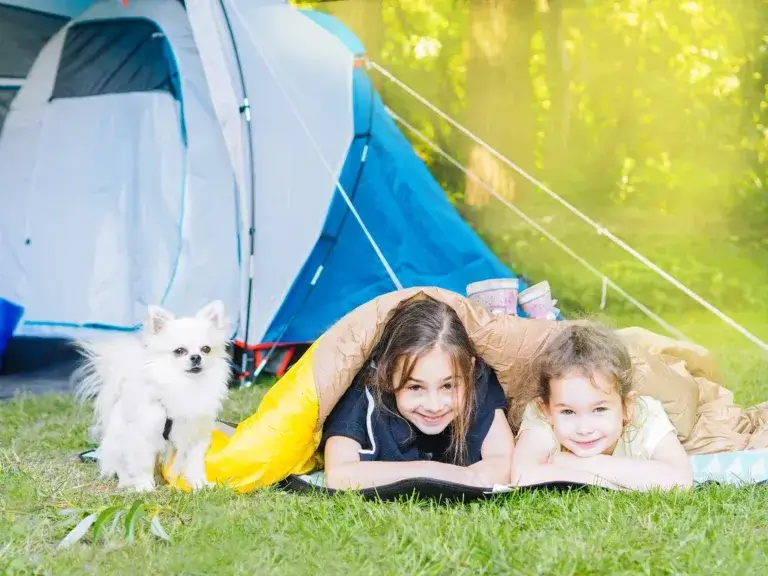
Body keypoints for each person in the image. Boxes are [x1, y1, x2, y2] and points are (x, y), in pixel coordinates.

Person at [321, 296, 515, 490]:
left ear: (470, 371)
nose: (434, 406)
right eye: (415, 387)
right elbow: (337, 475)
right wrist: (431, 472)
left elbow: (504, 463)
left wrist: (463, 475)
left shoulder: (478, 381)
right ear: (386, 374)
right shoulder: (364, 392)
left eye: (448, 386)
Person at [511, 321, 693, 491]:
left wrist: (582, 464)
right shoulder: (539, 414)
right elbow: (524, 476)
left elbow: (680, 480)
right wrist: (615, 483)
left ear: (626, 406)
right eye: (568, 411)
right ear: (547, 410)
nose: (584, 428)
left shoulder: (644, 413)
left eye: (599, 409)